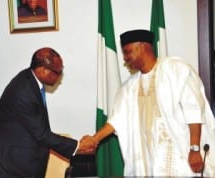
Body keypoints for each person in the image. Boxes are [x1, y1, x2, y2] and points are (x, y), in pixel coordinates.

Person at [81, 29, 215, 176]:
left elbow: (194, 110)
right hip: (148, 158)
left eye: (127, 52)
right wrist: (95, 139)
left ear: (143, 47)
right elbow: (116, 120)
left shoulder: (176, 70)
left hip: (180, 155)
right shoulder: (129, 86)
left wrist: (194, 149)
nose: (125, 58)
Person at [0, 47, 88, 178]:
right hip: (2, 165)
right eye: (58, 71)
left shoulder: (32, 82)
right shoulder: (23, 90)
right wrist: (78, 146)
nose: (60, 75)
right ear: (43, 70)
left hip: (16, 161)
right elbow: (42, 134)